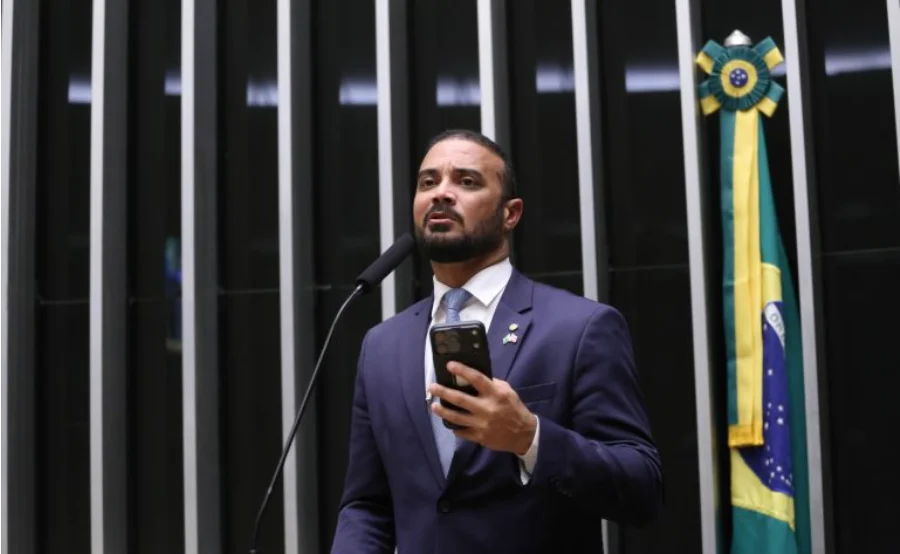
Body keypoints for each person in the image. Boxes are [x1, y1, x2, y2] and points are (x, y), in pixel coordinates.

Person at [330, 129, 663, 553]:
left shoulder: (580, 328)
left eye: (466, 182)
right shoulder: (382, 345)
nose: (441, 194)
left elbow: (643, 489)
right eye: (428, 182)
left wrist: (530, 437)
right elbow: (367, 505)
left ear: (511, 214)